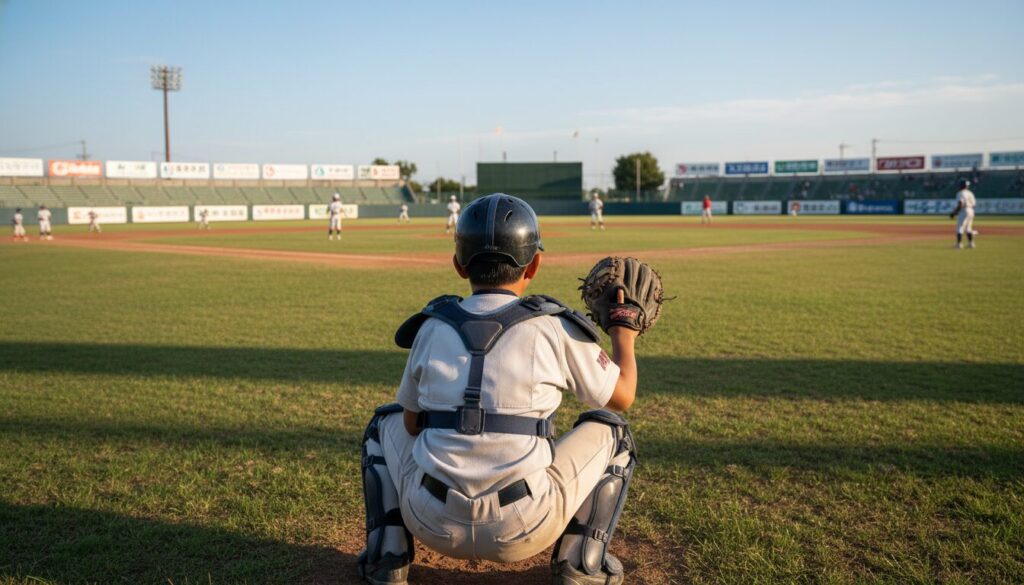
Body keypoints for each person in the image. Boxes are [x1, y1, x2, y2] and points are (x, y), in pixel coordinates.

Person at [357, 193, 639, 585]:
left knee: (380, 425)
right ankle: (581, 565)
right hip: (524, 527)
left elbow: (408, 425)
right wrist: (623, 330)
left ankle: (387, 557)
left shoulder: (433, 325)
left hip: (430, 519)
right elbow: (622, 396)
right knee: (615, 431)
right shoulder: (555, 326)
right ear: (534, 264)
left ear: (459, 264)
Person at [950, 179, 977, 249]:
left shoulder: (961, 193)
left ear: (962, 185)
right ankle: (971, 244)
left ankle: (959, 244)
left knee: (960, 227)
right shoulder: (970, 193)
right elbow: (974, 205)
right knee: (969, 228)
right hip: (971, 210)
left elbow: (960, 204)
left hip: (964, 210)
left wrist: (954, 213)